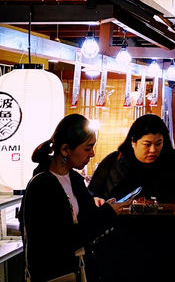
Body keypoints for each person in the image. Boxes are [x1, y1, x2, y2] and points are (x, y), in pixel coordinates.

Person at [20, 114, 121, 282]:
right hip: (56, 274)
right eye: (88, 148)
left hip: (80, 270)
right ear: (65, 149)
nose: (93, 154)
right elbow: (62, 240)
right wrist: (107, 214)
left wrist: (106, 209)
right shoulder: (42, 185)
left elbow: (87, 221)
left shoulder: (75, 179)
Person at [89, 114, 175, 282]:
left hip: (163, 247)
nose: (153, 150)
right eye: (147, 144)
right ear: (133, 142)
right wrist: (96, 200)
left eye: (158, 144)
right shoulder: (116, 162)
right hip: (121, 247)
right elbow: (93, 193)